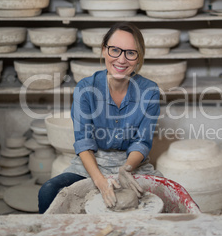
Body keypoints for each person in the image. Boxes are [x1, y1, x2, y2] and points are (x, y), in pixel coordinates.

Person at [38, 22, 163, 214]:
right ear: (104, 50)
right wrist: (101, 182)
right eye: (115, 50)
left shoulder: (150, 91)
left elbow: (142, 142)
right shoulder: (85, 89)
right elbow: (84, 143)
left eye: (130, 53)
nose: (121, 59)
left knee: (166, 197)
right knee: (49, 192)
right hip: (92, 160)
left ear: (139, 58)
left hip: (132, 163)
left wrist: (126, 168)